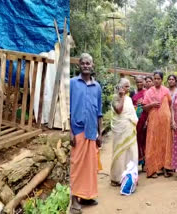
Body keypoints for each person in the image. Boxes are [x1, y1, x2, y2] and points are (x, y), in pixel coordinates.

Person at [69, 53, 103, 213]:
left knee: (90, 167)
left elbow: (99, 112)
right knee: (76, 165)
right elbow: (67, 108)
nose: (86, 65)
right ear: (79, 65)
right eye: (83, 63)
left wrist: (100, 134)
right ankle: (74, 200)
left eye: (88, 63)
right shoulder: (72, 83)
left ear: (92, 65)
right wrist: (69, 132)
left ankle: (87, 196)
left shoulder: (97, 87)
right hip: (77, 130)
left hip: (91, 131)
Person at [143, 71, 173, 178]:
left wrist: (171, 120)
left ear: (162, 79)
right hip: (154, 122)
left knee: (165, 143)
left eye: (158, 78)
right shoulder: (149, 92)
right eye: (155, 78)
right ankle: (153, 169)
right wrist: (151, 104)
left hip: (165, 123)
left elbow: (170, 105)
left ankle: (166, 167)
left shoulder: (166, 90)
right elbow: (144, 107)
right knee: (153, 143)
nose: (156, 80)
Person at [111, 78, 138, 186]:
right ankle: (117, 178)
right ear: (120, 87)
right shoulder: (115, 98)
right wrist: (121, 97)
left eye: (128, 86)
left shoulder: (129, 99)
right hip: (120, 130)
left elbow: (131, 114)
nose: (128, 88)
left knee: (131, 151)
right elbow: (118, 110)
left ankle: (130, 176)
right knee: (120, 152)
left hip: (129, 129)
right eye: (125, 86)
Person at [132, 76, 147, 171]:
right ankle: (138, 161)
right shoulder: (133, 94)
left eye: (141, 82)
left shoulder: (147, 93)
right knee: (137, 141)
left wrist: (147, 121)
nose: (139, 84)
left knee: (144, 140)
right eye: (137, 82)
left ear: (144, 82)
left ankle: (145, 163)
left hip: (144, 119)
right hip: (136, 121)